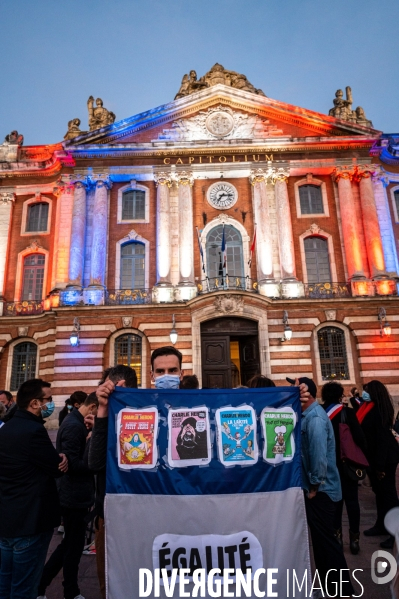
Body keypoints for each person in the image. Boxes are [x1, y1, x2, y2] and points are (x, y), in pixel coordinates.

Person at [0, 379, 68, 599]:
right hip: (30, 519)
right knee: (24, 587)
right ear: (35, 403)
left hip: (7, 518)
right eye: (48, 399)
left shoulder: (7, 427)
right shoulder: (34, 430)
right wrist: (62, 460)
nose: (51, 403)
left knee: (5, 582)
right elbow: (56, 467)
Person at [37, 392, 99, 599]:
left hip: (75, 493)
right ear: (92, 408)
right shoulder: (74, 426)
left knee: (71, 545)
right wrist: (92, 446)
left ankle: (57, 588)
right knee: (71, 547)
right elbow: (73, 464)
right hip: (73, 494)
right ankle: (66, 590)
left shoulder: (77, 423)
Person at [300, 379, 354, 597]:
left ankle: (341, 590)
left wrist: (313, 486)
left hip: (322, 492)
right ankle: (332, 588)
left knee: (328, 544)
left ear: (308, 395)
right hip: (322, 490)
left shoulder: (314, 419)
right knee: (323, 544)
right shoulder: (310, 416)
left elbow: (319, 458)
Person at [88, 365, 137, 599]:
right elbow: (95, 463)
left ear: (121, 387)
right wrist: (103, 409)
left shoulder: (145, 412)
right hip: (107, 514)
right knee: (109, 583)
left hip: (138, 512)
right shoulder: (105, 415)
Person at [321, 381, 367, 554]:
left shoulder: (321, 413)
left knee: (335, 502)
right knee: (352, 501)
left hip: (329, 465)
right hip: (347, 464)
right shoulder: (347, 412)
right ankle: (354, 540)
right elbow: (360, 438)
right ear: (340, 395)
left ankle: (337, 537)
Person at [358, 380, 399, 548]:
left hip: (384, 458)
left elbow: (382, 441)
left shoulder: (379, 411)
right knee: (380, 494)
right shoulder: (367, 408)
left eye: (367, 390)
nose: (364, 393)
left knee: (389, 496)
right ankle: (381, 525)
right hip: (374, 458)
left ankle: (395, 532)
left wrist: (380, 467)